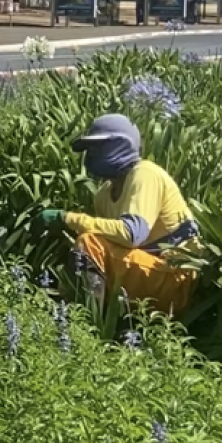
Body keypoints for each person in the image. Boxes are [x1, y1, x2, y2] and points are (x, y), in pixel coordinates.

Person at [38, 113, 201, 316]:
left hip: (175, 278)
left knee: (90, 244)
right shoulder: (104, 195)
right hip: (146, 270)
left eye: (98, 148)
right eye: (89, 150)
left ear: (122, 144)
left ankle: (91, 324)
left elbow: (132, 234)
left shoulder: (145, 174)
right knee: (88, 246)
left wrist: (67, 218)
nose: (90, 155)